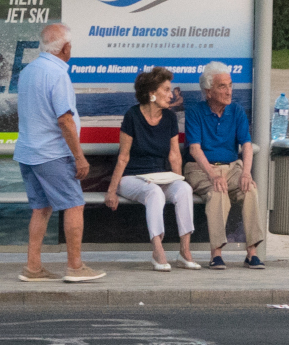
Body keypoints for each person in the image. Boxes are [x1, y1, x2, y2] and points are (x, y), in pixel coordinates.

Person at [14, 23, 102, 283]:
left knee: (41, 208)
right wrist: (79, 156)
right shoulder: (57, 74)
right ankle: (75, 267)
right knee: (75, 204)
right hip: (51, 153)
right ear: (65, 48)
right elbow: (64, 120)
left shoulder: (28, 71)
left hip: (28, 151)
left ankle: (33, 267)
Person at [106, 67, 199, 270]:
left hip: (159, 176)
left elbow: (174, 155)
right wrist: (112, 190)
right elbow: (123, 157)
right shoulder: (132, 116)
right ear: (152, 94)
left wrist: (178, 179)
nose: (170, 94)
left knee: (184, 189)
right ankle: (158, 251)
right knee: (153, 192)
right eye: (166, 89)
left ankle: (185, 251)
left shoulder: (169, 118)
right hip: (131, 177)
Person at [183, 60, 266, 269]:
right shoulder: (195, 112)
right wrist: (212, 174)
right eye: (222, 86)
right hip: (201, 168)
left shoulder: (236, 111)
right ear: (208, 91)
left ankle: (252, 253)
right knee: (217, 193)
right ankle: (216, 254)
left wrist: (246, 173)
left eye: (230, 85)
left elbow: (246, 145)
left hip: (231, 167)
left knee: (250, 190)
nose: (229, 91)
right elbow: (195, 149)